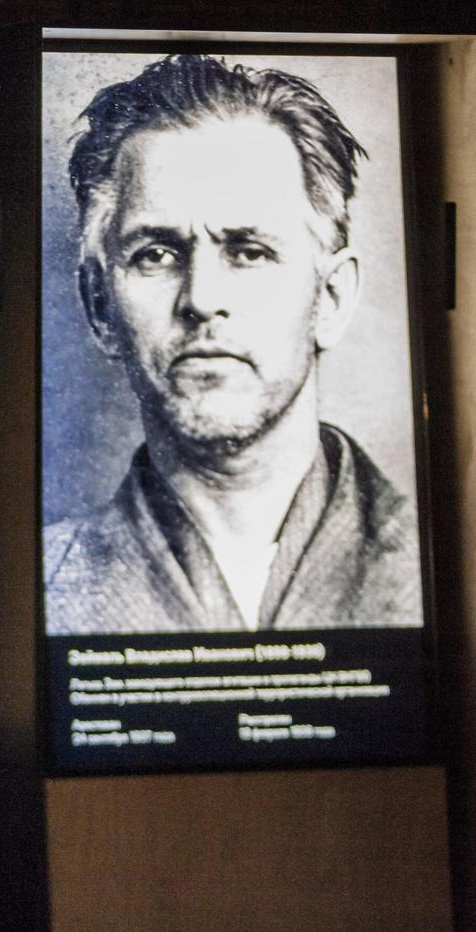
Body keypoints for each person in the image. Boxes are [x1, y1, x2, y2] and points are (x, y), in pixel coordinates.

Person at [43, 54, 422, 635]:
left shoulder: (445, 565)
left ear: (332, 298)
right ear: (99, 307)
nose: (201, 297)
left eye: (249, 251)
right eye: (156, 254)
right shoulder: (40, 590)